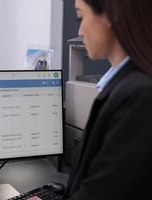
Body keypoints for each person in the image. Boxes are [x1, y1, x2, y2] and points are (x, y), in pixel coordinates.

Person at [29, 0, 152, 199]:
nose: (79, 32)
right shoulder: (125, 85)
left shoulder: (139, 95)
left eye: (81, 17)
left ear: (113, 16)